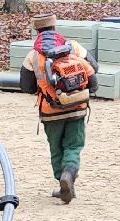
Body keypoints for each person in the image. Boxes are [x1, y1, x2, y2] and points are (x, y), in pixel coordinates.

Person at [17, 13, 98, 204]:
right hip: (77, 106)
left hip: (50, 112)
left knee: (56, 149)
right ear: (55, 28)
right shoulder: (74, 47)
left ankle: (63, 183)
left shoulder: (33, 55)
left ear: (37, 31)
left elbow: (26, 87)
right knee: (73, 145)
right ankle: (68, 177)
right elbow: (95, 68)